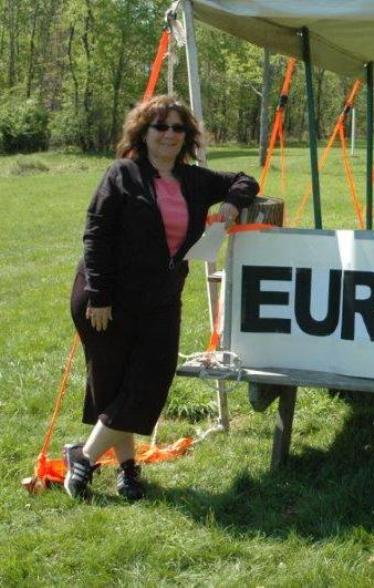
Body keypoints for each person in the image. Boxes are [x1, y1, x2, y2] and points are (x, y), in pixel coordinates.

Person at [65, 95, 258, 500]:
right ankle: (128, 470)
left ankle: (83, 457)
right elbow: (96, 235)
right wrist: (99, 295)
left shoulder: (194, 179)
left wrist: (231, 202)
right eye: (161, 126)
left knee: (150, 380)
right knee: (116, 385)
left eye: (178, 128)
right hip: (107, 299)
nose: (169, 134)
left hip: (162, 299)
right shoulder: (122, 174)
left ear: (186, 135)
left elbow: (245, 180)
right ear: (144, 132)